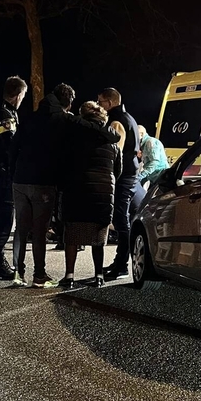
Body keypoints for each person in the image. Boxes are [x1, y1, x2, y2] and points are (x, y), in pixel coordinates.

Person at [10, 83, 76, 286]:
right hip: (44, 182)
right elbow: (65, 153)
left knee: (21, 229)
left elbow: (14, 147)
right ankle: (39, 274)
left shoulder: (30, 117)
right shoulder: (62, 120)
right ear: (68, 103)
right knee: (39, 231)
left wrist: (14, 173)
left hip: (20, 179)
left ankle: (18, 273)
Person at [58, 101, 120, 288]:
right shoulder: (112, 142)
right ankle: (98, 276)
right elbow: (117, 171)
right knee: (98, 237)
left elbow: (63, 164)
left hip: (76, 190)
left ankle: (69, 276)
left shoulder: (73, 138)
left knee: (72, 234)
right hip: (102, 193)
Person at [0, 76, 28, 279]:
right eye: (23, 95)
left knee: (0, 219)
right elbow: (11, 146)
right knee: (3, 220)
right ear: (18, 95)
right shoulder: (6, 115)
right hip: (4, 175)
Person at [96, 87, 140, 280]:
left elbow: (116, 153)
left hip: (124, 177)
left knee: (121, 220)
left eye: (100, 102)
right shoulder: (129, 118)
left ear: (110, 102)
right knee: (123, 219)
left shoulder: (116, 121)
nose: (99, 106)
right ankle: (119, 262)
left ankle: (122, 265)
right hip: (131, 174)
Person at [132, 124, 168, 212]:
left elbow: (154, 162)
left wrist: (142, 175)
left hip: (160, 176)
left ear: (141, 134)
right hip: (156, 177)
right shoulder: (146, 144)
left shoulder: (150, 142)